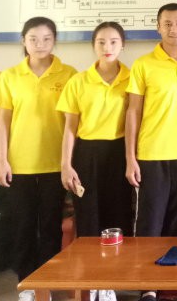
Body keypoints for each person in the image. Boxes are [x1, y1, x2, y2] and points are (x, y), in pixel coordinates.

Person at [0, 17, 77, 301]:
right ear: (23, 41)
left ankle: (46, 284)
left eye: (47, 38)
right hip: (19, 165)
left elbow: (73, 123)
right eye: (33, 39)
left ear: (55, 41)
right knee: (22, 226)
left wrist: (69, 163)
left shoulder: (69, 74)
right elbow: (3, 123)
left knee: (50, 227)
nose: (40, 44)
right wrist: (2, 160)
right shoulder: (10, 76)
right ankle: (26, 284)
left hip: (55, 164)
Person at [126, 3, 177, 301]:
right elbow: (132, 112)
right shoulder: (143, 64)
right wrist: (130, 158)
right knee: (150, 224)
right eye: (168, 24)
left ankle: (172, 285)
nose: (174, 29)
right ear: (158, 27)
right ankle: (147, 286)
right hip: (151, 155)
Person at [57, 22, 133, 238]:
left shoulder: (132, 78)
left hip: (120, 152)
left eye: (113, 42)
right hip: (86, 153)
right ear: (93, 45)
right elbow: (70, 128)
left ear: (122, 45)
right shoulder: (78, 81)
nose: (107, 47)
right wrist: (66, 165)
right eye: (101, 42)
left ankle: (119, 260)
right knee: (88, 214)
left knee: (119, 213)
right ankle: (89, 260)